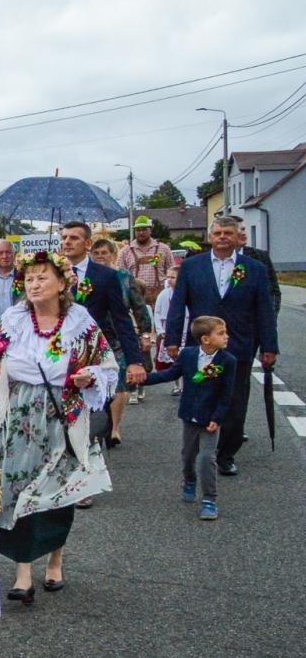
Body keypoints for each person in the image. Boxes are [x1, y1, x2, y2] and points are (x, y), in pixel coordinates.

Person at [0, 249, 116, 601]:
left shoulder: (80, 323)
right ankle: (23, 573)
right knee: (15, 489)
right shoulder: (13, 320)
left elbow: (107, 366)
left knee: (56, 491)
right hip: (17, 415)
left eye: (42, 278)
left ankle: (55, 560)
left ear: (62, 283)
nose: (33, 285)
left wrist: (89, 375)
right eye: (29, 279)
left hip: (61, 414)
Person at [162, 216, 280, 477]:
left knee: (236, 401)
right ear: (210, 237)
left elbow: (264, 310)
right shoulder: (192, 266)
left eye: (228, 233)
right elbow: (177, 305)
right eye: (218, 233)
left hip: (238, 343)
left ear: (237, 237)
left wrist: (269, 346)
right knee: (202, 396)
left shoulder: (254, 269)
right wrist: (172, 340)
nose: (223, 237)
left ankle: (226, 454)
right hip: (201, 346)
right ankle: (201, 448)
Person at [138, 317, 237, 521]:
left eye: (225, 332)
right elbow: (170, 374)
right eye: (221, 333)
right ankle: (189, 480)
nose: (226, 336)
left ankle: (209, 499)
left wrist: (218, 417)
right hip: (189, 414)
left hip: (210, 418)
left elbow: (227, 395)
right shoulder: (188, 355)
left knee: (208, 458)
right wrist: (144, 379)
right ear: (205, 339)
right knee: (188, 456)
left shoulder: (228, 361)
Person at [58, 221, 145, 447]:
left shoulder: (105, 276)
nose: (67, 242)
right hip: (58, 353)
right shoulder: (52, 272)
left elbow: (121, 319)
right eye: (64, 237)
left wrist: (134, 361)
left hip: (93, 352)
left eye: (74, 238)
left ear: (88, 243)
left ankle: (93, 448)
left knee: (95, 418)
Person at [91, 237, 153, 425]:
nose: (100, 256)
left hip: (118, 335)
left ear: (113, 255)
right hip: (95, 334)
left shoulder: (124, 277)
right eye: (96, 253)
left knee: (118, 379)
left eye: (104, 253)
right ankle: (100, 422)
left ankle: (115, 427)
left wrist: (145, 333)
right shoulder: (86, 275)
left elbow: (139, 306)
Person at [118, 215, 174, 303]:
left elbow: (172, 272)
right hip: (135, 298)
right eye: (138, 230)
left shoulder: (164, 249)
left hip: (160, 297)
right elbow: (121, 277)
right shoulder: (125, 251)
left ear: (150, 230)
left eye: (144, 229)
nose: (141, 233)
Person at [152, 267, 185, 393]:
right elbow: (157, 313)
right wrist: (160, 330)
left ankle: (186, 384)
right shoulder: (163, 294)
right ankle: (177, 385)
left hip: (184, 330)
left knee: (185, 359)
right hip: (167, 330)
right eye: (168, 277)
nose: (170, 280)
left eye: (173, 277)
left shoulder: (187, 293)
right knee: (173, 361)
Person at [237, 226, 283, 315]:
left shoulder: (260, 256)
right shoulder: (213, 259)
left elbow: (273, 290)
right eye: (237, 229)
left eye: (243, 229)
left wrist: (270, 317)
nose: (243, 233)